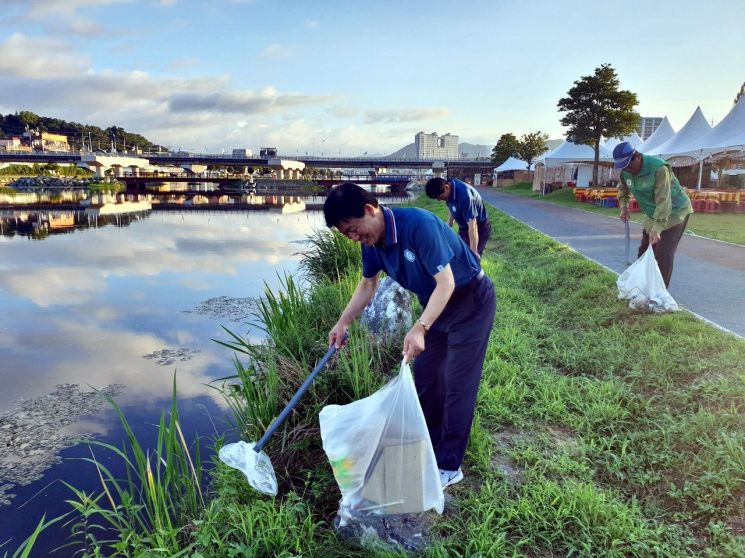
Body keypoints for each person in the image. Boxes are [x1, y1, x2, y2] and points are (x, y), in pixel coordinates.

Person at [324, 182, 496, 489]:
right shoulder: (372, 244)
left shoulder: (418, 225)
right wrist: (344, 321)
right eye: (346, 234)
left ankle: (448, 465)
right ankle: (428, 446)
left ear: (369, 209)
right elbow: (367, 286)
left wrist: (420, 327)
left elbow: (446, 283)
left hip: (470, 301)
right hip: (434, 307)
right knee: (428, 379)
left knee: (458, 383)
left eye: (353, 229)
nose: (354, 238)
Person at [613, 141, 693, 287]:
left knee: (663, 252)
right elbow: (623, 189)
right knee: (644, 251)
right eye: (623, 167)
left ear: (637, 156)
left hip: (675, 211)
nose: (627, 170)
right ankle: (640, 286)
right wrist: (623, 207)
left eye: (629, 165)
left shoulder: (659, 168)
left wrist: (657, 228)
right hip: (653, 212)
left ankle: (659, 294)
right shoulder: (626, 172)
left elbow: (664, 200)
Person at [425, 177, 491, 258]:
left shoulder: (465, 195)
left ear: (446, 187)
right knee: (459, 254)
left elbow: (473, 225)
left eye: (439, 197)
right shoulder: (450, 186)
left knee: (471, 258)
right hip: (464, 228)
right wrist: (446, 230)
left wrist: (473, 250)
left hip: (479, 227)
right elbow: (452, 208)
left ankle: (476, 268)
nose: (439, 200)